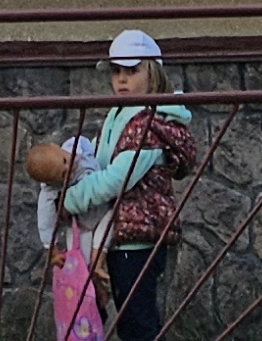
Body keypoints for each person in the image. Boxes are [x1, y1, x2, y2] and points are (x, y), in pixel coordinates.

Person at [26, 29, 195, 341]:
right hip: (120, 234)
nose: (122, 79)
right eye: (116, 71)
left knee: (137, 323)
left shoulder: (150, 123)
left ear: (153, 74)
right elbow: (100, 161)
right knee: (101, 310)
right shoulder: (120, 114)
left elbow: (119, 177)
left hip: (139, 237)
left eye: (132, 71)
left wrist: (71, 200)